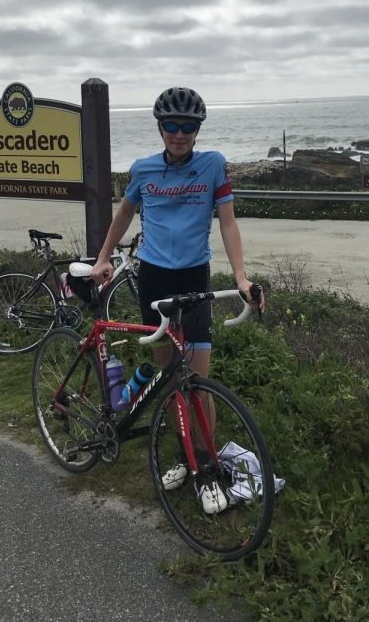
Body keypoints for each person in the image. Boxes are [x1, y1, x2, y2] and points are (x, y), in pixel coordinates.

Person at [91, 86, 264, 514]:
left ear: (197, 129)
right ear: (160, 127)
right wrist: (103, 258)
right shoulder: (143, 169)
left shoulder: (213, 166)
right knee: (172, 381)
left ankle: (205, 464)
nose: (180, 134)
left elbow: (228, 224)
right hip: (153, 279)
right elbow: (125, 214)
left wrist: (241, 276)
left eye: (188, 127)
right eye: (172, 125)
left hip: (193, 278)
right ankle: (183, 457)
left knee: (198, 380)